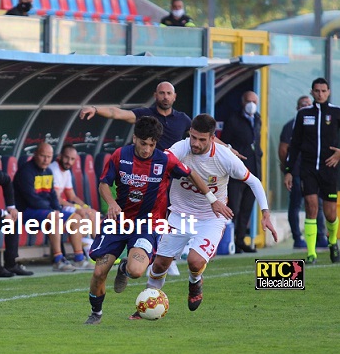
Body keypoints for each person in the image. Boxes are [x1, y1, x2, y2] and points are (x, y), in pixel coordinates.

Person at [84, 116, 231, 325]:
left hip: (147, 224)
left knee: (136, 272)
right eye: (143, 143)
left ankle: (124, 268)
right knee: (99, 272)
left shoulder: (164, 160)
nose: (147, 149)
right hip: (119, 221)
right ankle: (96, 313)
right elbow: (103, 184)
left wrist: (212, 200)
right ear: (135, 138)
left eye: (151, 145)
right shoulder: (120, 156)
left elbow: (192, 175)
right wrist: (112, 203)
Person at [128, 114, 277, 319]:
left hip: (211, 217)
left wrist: (265, 213)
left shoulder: (225, 157)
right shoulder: (181, 147)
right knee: (160, 264)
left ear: (212, 138)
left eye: (201, 139)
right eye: (193, 137)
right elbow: (162, 160)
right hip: (179, 214)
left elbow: (253, 181)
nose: (196, 143)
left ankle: (195, 281)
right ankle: (146, 304)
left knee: (195, 261)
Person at [284, 77, 340, 264]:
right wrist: (289, 171)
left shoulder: (338, 113)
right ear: (312, 92)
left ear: (329, 92)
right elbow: (294, 145)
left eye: (324, 91)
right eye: (317, 91)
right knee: (310, 207)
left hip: (329, 169)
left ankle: (332, 242)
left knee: (331, 214)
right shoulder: (303, 115)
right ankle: (311, 253)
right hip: (308, 169)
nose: (320, 94)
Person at [13, 142, 92, 272]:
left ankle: (79, 258)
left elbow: (53, 196)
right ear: (35, 155)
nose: (46, 160)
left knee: (76, 218)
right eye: (43, 156)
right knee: (54, 216)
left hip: (46, 212)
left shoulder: (48, 171)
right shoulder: (26, 171)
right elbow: (32, 199)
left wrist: (57, 209)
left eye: (49, 157)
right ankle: (58, 260)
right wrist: (53, 211)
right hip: (26, 212)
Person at [278, 96, 327, 249]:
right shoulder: (290, 126)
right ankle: (297, 238)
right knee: (296, 204)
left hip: (314, 172)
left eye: (307, 104)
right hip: (297, 172)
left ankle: (320, 236)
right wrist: (288, 169)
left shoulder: (317, 124)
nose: (305, 107)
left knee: (316, 204)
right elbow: (283, 149)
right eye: (302, 105)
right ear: (297, 108)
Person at [220, 91, 262, 253]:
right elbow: (225, 143)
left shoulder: (257, 118)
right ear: (243, 102)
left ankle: (240, 239)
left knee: (247, 208)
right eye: (249, 101)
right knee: (234, 208)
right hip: (237, 171)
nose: (252, 104)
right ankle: (229, 240)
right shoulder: (233, 119)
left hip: (254, 171)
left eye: (254, 101)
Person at [48, 144, 100, 239]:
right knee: (82, 213)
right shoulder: (53, 169)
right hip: (53, 207)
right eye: (66, 158)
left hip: (61, 206)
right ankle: (87, 248)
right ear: (60, 156)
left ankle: (96, 247)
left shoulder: (66, 171)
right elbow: (55, 198)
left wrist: (85, 206)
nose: (69, 162)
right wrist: (76, 207)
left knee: (93, 213)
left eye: (72, 159)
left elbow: (72, 196)